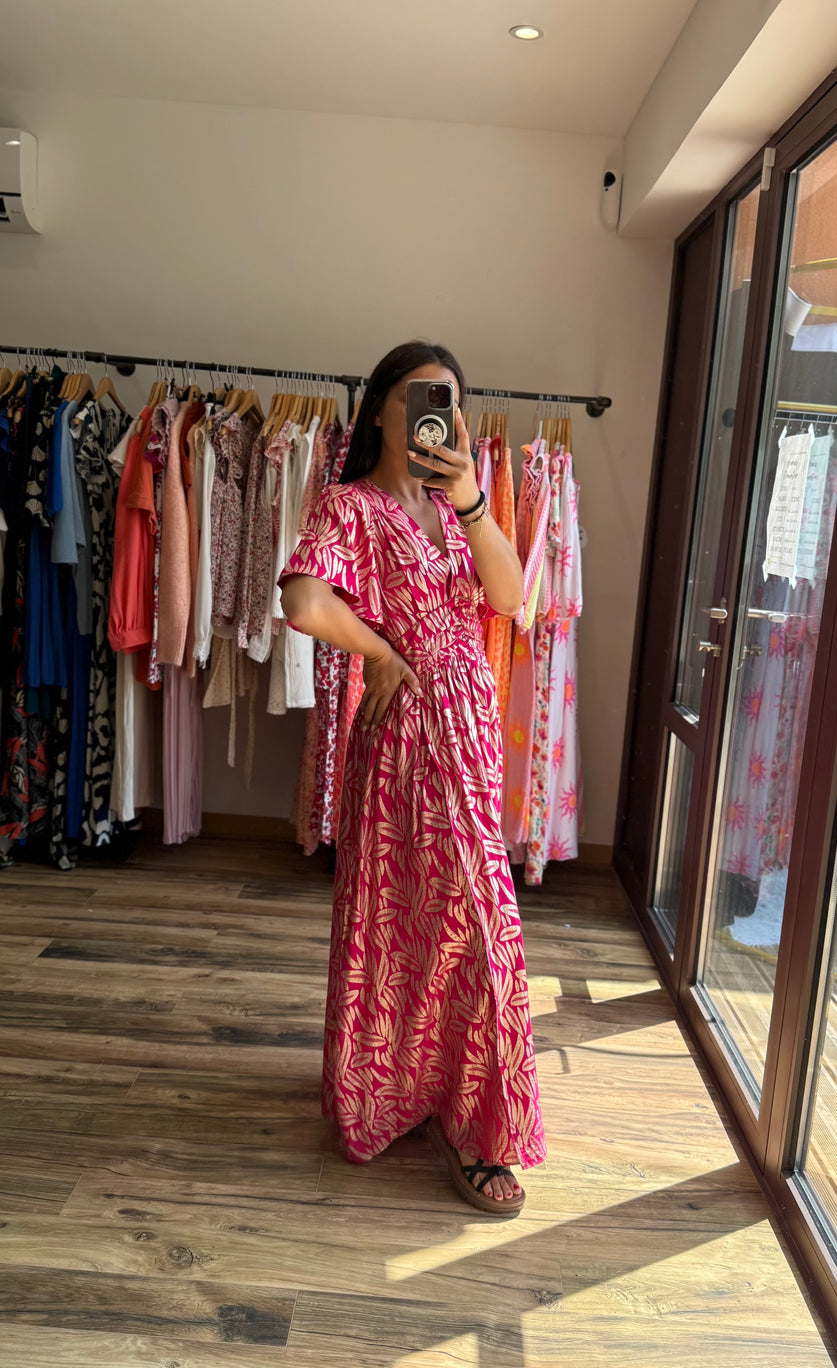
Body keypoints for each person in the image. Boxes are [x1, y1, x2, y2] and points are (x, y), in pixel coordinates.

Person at [280, 340, 546, 1215]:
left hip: (469, 732)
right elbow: (303, 600)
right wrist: (381, 651)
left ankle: (458, 1105)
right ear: (381, 410)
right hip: (404, 740)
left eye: (452, 401)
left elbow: (508, 596)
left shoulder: (455, 503)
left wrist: (470, 500)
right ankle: (439, 1114)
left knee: (459, 923)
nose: (439, 414)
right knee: (417, 922)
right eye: (422, 397)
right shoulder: (350, 504)